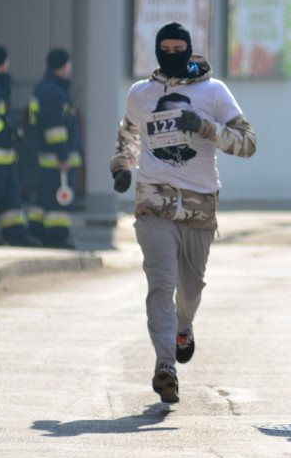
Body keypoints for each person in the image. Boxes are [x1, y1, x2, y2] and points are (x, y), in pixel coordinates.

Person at [110, 21, 257, 403]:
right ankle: (165, 366)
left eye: (179, 50)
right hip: (153, 205)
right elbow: (129, 135)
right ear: (157, 51)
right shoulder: (141, 94)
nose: (172, 55)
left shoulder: (214, 92)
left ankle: (184, 327)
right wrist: (122, 167)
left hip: (198, 207)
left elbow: (248, 143)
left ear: (190, 51)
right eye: (166, 50)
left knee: (189, 291)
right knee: (161, 285)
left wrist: (206, 127)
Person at [27, 48, 82, 248]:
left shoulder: (47, 88)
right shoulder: (53, 92)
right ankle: (57, 238)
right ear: (64, 65)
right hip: (57, 159)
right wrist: (63, 156)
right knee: (59, 200)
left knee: (44, 198)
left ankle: (36, 232)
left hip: (48, 156)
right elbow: (54, 129)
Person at [0, 45, 40, 246]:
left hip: (5, 156)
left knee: (10, 198)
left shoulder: (1, 85)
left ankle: (15, 234)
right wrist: (6, 128)